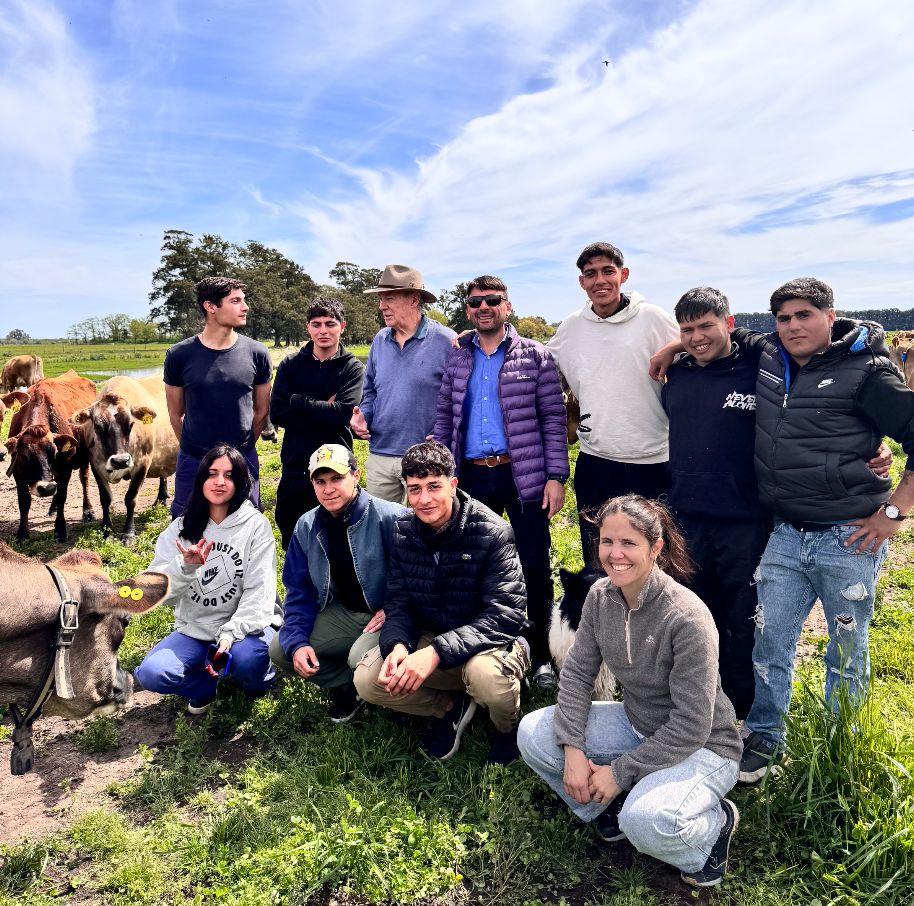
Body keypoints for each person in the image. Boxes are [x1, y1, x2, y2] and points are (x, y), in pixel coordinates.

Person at [736, 277, 914, 784]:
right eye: (784, 318)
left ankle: (843, 743)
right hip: (786, 533)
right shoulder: (770, 357)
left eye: (804, 315)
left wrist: (895, 514)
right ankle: (766, 737)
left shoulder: (868, 373)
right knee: (770, 641)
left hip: (848, 536)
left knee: (844, 647)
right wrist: (668, 349)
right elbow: (711, 332)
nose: (793, 326)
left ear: (830, 316)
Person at [517, 495, 742, 889]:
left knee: (646, 822)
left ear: (656, 549)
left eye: (629, 543)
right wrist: (572, 748)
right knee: (534, 734)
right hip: (638, 726)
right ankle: (610, 808)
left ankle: (714, 826)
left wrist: (620, 772)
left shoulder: (686, 617)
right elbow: (576, 676)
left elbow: (691, 725)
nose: (615, 554)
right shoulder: (601, 597)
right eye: (607, 542)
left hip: (704, 746)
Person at [353, 441, 529, 764]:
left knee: (488, 680)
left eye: (434, 486)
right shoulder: (404, 531)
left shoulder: (493, 532)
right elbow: (400, 600)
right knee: (368, 679)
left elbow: (507, 615)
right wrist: (398, 647)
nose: (424, 499)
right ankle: (447, 706)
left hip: (489, 644)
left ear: (453, 484)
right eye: (415, 489)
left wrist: (434, 653)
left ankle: (507, 730)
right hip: (433, 637)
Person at [432, 275, 568, 689]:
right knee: (473, 562)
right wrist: (440, 471)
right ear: (469, 309)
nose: (484, 306)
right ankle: (485, 647)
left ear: (507, 306)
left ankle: (541, 655)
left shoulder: (535, 356)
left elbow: (553, 419)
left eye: (493, 300)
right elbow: (444, 413)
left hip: (521, 473)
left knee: (533, 563)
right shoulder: (458, 357)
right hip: (471, 472)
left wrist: (556, 476)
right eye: (475, 302)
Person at [547, 243, 679, 563]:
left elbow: (699, 347)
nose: (600, 280)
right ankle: (604, 613)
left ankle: (654, 614)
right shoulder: (571, 327)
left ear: (623, 274)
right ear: (582, 283)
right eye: (590, 274)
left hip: (653, 461)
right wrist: (473, 341)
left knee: (656, 557)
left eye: (608, 271)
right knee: (599, 555)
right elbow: (538, 365)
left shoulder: (653, 319)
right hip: (596, 461)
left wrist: (674, 346)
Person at [134, 444, 281, 713]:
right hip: (197, 630)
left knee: (248, 661)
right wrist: (184, 567)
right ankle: (203, 686)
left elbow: (259, 591)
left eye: (229, 475)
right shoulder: (180, 528)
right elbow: (155, 590)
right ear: (201, 479)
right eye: (212, 474)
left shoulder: (255, 525)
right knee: (151, 674)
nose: (220, 482)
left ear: (240, 482)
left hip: (246, 629)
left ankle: (258, 681)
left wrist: (228, 635)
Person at [269, 444, 405, 721]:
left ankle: (377, 686)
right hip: (345, 614)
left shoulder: (392, 517)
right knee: (281, 649)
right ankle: (348, 686)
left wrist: (394, 608)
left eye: (336, 478)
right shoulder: (306, 526)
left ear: (356, 476)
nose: (328, 488)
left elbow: (419, 577)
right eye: (320, 481)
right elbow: (299, 591)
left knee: (359, 657)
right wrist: (297, 641)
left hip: (391, 616)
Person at [164, 277, 272, 516]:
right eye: (235, 301)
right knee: (186, 524)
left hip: (243, 456)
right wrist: (194, 450)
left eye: (243, 300)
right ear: (210, 307)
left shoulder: (257, 353)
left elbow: (262, 410)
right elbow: (175, 413)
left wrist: (242, 449)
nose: (245, 307)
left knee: (247, 523)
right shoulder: (179, 355)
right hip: (193, 459)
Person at [350, 265, 456, 503]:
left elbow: (460, 398)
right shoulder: (380, 340)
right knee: (383, 530)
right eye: (380, 299)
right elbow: (371, 392)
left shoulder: (446, 341)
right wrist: (363, 417)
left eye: (389, 298)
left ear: (414, 299)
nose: (381, 306)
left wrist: (444, 430)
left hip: (426, 458)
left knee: (425, 532)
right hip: (380, 456)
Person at [269, 297, 365, 550]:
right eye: (317, 324)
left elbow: (342, 413)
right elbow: (278, 413)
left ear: (342, 327)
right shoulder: (290, 365)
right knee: (293, 540)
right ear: (308, 328)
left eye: (330, 324)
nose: (323, 330)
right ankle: (299, 590)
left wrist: (298, 401)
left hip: (336, 467)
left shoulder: (352, 367)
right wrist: (325, 406)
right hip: (296, 466)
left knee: (338, 543)